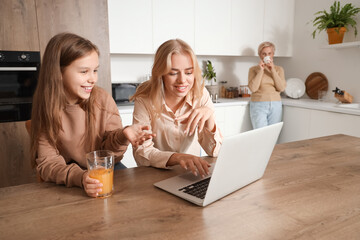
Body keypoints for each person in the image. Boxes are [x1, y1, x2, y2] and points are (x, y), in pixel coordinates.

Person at [29, 33, 154, 197]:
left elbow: (111, 156)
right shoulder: (45, 107)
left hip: (106, 170)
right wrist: (80, 177)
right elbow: (48, 163)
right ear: (58, 73)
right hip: (68, 175)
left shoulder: (102, 100)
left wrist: (122, 135)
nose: (93, 78)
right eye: (84, 71)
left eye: (95, 70)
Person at [130, 39, 223, 178]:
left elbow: (215, 152)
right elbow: (142, 153)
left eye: (188, 72)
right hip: (155, 177)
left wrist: (209, 118)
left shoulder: (201, 94)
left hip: (191, 176)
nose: (182, 80)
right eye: (173, 73)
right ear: (160, 74)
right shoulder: (145, 99)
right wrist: (178, 158)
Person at [248, 41, 286, 129]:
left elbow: (281, 88)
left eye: (269, 53)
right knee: (260, 134)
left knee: (273, 134)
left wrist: (272, 69)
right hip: (258, 104)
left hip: (276, 104)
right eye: (264, 54)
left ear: (273, 54)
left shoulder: (279, 69)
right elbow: (253, 88)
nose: (266, 56)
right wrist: (261, 70)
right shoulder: (253, 70)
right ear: (260, 55)